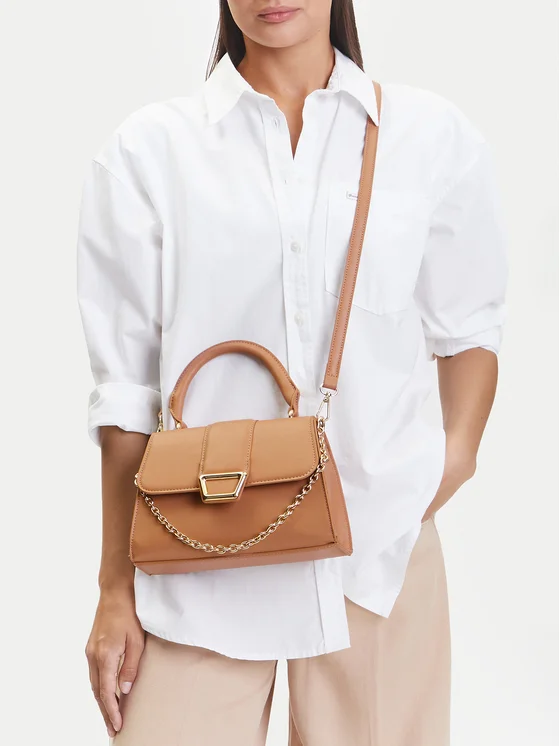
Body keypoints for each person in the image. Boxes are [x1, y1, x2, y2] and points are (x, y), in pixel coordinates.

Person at [76, 1, 508, 744]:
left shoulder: (427, 136)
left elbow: (469, 325)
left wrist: (452, 459)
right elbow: (126, 395)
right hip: (196, 555)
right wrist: (115, 584)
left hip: (377, 555)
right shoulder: (149, 151)